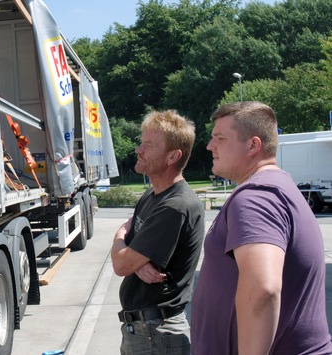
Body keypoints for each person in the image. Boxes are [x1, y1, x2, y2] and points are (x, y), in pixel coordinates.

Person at [191, 101, 332, 354]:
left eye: (219, 138)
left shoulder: (256, 197)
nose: (210, 146)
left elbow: (262, 290)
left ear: (253, 145)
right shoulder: (275, 187)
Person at [111, 110, 205, 355]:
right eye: (141, 143)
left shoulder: (175, 206)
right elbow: (131, 255)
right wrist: (136, 260)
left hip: (156, 334)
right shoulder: (152, 196)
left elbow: (121, 265)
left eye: (148, 146)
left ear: (173, 156)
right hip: (145, 330)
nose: (138, 150)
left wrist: (120, 235)